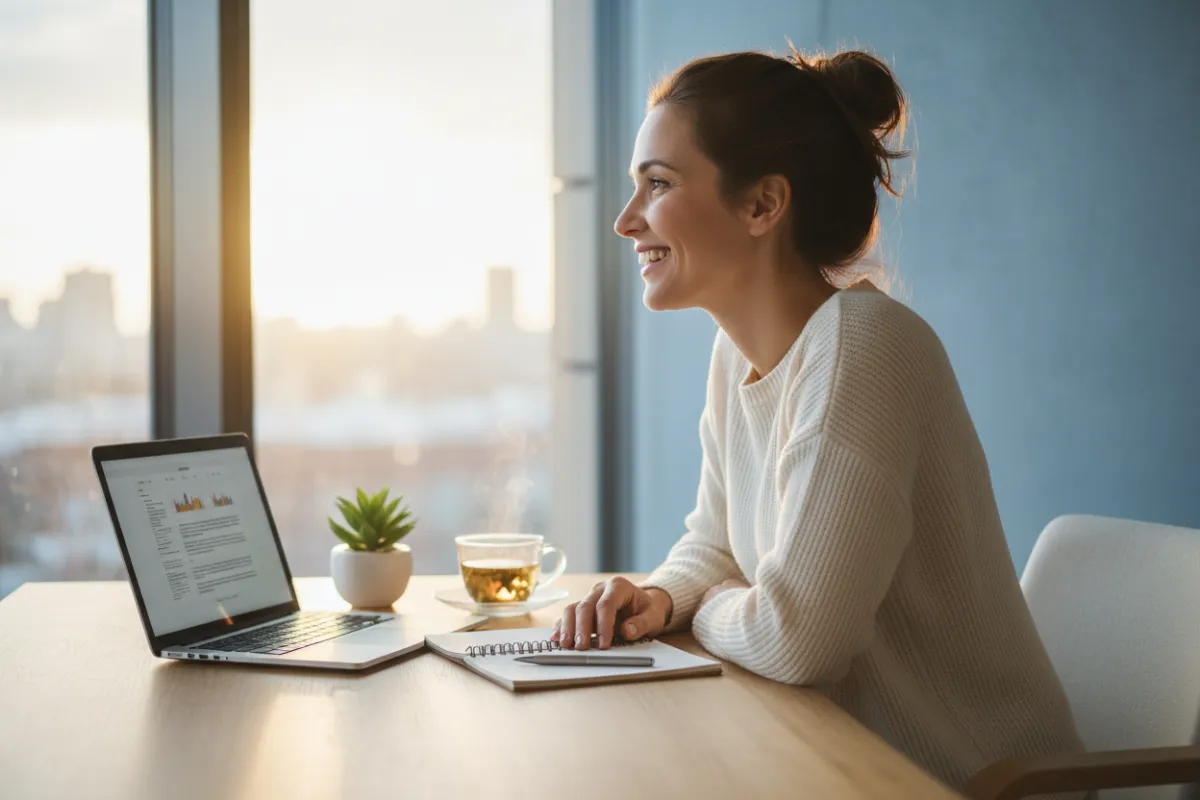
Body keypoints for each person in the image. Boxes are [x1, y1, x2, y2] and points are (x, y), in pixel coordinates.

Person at [551, 46, 1085, 792]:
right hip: (845, 764)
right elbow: (717, 542)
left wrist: (705, 613)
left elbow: (796, 640)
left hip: (969, 783)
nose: (624, 220)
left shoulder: (865, 349)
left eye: (658, 185)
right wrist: (663, 599)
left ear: (764, 204)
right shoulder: (734, 358)